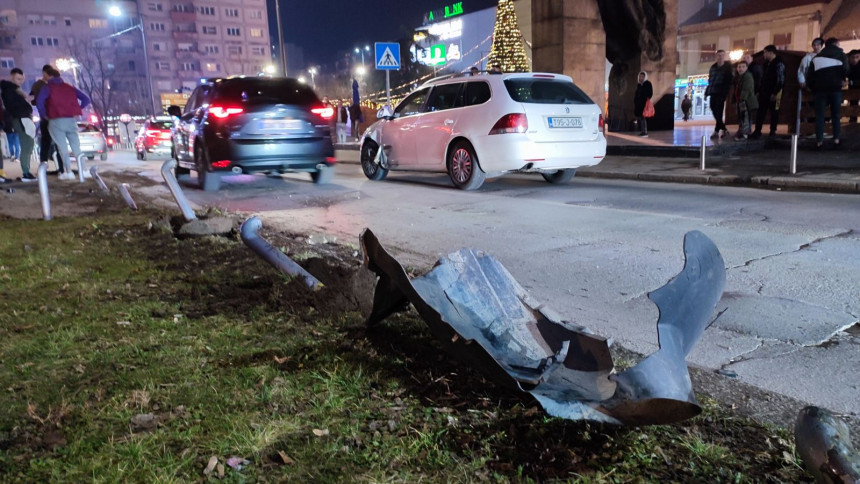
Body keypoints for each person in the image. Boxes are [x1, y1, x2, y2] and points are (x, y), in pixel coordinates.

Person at [36, 67, 91, 180]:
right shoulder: (69, 87)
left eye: (45, 75)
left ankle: (68, 171)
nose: (43, 77)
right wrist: (77, 110)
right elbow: (86, 99)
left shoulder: (48, 88)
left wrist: (44, 114)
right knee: (76, 146)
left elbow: (39, 101)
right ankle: (84, 170)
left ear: (49, 76)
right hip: (71, 120)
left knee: (62, 148)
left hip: (56, 120)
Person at [806, 37, 849, 149]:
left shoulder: (817, 57)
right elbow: (846, 70)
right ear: (835, 44)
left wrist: (813, 87)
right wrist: (842, 79)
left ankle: (819, 141)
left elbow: (809, 76)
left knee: (819, 116)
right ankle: (836, 139)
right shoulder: (841, 55)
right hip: (835, 89)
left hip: (820, 91)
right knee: (836, 115)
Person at [0, 68, 36, 182]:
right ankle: (26, 172)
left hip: (22, 118)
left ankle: (26, 171)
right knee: (27, 143)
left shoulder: (14, 90)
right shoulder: (10, 90)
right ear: (12, 77)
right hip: (20, 118)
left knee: (28, 144)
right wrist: (26, 102)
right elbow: (13, 105)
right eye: (18, 78)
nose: (20, 81)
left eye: (22, 79)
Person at [751, 45, 785, 139]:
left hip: (774, 92)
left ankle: (772, 131)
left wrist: (775, 92)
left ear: (771, 53)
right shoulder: (766, 64)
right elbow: (763, 78)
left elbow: (780, 79)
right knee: (760, 112)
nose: (764, 55)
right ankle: (757, 131)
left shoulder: (779, 63)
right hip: (764, 92)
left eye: (765, 52)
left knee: (774, 112)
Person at [30, 65, 58, 171]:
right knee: (46, 140)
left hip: (52, 116)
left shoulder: (50, 85)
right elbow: (32, 99)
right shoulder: (38, 85)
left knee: (52, 141)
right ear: (44, 73)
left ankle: (57, 165)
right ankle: (44, 164)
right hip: (46, 117)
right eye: (48, 74)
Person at [705, 49, 733, 139]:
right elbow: (710, 80)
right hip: (713, 91)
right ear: (716, 57)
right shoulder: (713, 67)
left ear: (724, 57)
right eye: (719, 55)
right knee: (713, 109)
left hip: (721, 92)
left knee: (719, 111)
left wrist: (725, 93)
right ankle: (723, 128)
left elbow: (728, 81)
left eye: (722, 55)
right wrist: (707, 92)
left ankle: (716, 131)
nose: (720, 57)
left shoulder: (727, 67)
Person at [733, 61, 758, 140]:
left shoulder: (747, 76)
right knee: (742, 117)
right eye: (739, 67)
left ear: (746, 68)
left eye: (743, 67)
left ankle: (745, 134)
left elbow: (746, 89)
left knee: (745, 117)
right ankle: (743, 132)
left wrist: (742, 99)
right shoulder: (740, 77)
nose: (741, 69)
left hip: (745, 101)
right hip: (741, 100)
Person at [633, 71, 653, 137]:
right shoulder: (639, 85)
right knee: (641, 118)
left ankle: (645, 132)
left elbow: (650, 93)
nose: (640, 78)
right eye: (640, 76)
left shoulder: (647, 83)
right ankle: (642, 131)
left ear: (645, 77)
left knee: (643, 118)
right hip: (639, 104)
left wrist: (646, 98)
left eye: (642, 76)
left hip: (644, 104)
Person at [847, 49, 860, 123]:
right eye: (853, 57)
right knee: (853, 104)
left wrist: (851, 82)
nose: (855, 59)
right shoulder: (848, 66)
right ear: (849, 58)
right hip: (852, 89)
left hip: (854, 86)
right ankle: (853, 119)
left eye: (857, 57)